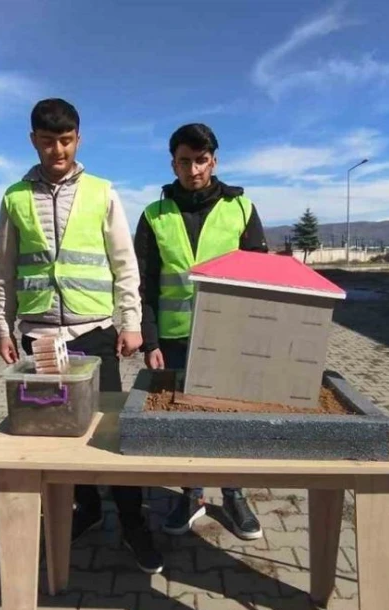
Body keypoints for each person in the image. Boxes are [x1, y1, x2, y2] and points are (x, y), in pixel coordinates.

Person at [0, 98, 162, 574]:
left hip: (94, 334)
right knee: (54, 434)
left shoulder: (102, 192)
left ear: (78, 139)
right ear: (33, 141)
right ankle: (85, 509)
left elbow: (124, 264)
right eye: (47, 141)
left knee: (112, 435)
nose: (57, 150)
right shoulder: (14, 197)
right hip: (40, 340)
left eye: (65, 140)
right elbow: (5, 271)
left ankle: (134, 524)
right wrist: (4, 328)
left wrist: (130, 323)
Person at [134, 122, 268, 540]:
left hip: (230, 337)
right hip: (174, 340)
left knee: (230, 418)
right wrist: (151, 340)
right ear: (172, 162)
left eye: (201, 160)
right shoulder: (154, 215)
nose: (193, 170)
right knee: (185, 417)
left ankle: (233, 492)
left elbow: (261, 279)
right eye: (184, 161)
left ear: (214, 160)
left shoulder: (241, 208)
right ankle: (191, 493)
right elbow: (145, 284)